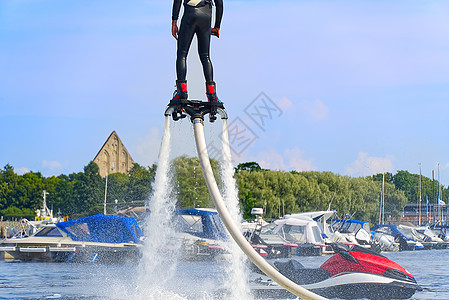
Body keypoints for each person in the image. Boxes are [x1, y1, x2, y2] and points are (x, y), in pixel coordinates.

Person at [171, 0, 223, 103]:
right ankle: (212, 93)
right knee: (205, 56)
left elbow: (177, 1)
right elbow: (220, 4)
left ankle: (182, 91)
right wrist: (217, 27)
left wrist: (174, 22)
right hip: (206, 15)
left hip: (190, 14)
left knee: (182, 54)